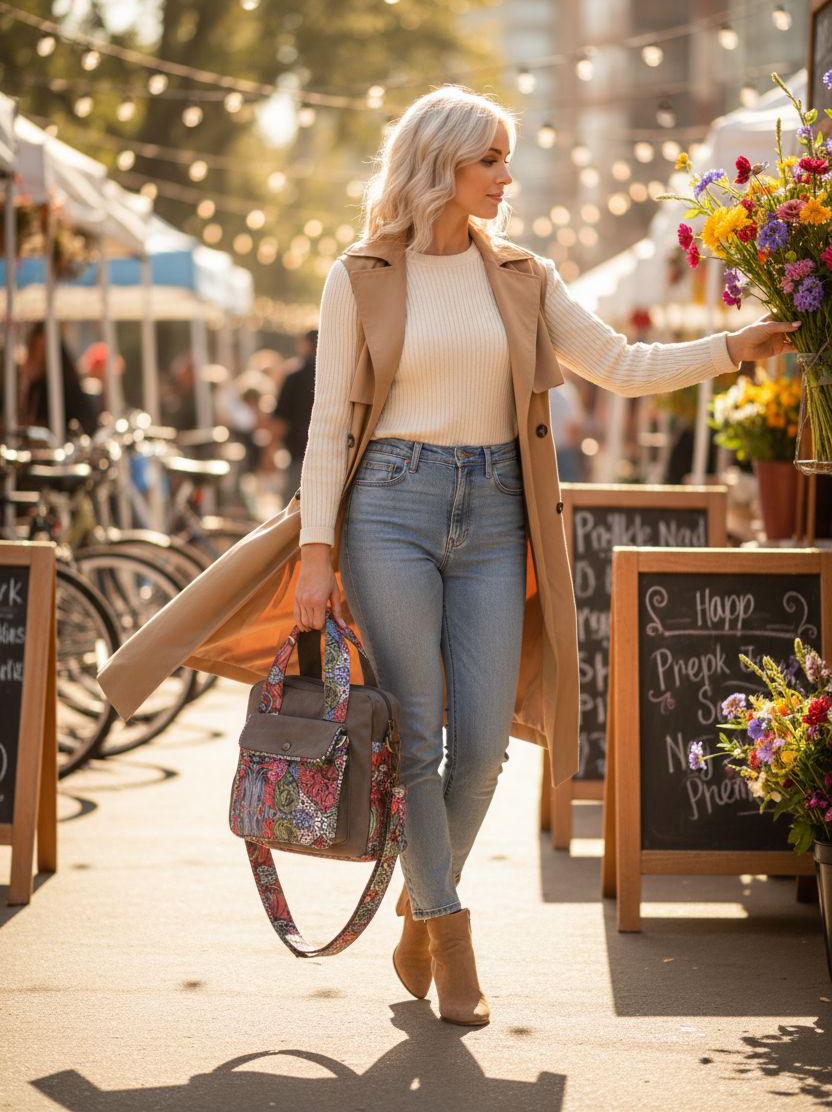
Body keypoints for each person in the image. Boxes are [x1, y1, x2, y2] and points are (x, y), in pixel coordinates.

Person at [292, 85, 799, 1027]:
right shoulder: (358, 272)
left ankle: (419, 901)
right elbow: (329, 426)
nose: (506, 177)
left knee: (483, 749)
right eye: (490, 159)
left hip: (495, 515)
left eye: (504, 159)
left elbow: (620, 363)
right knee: (417, 734)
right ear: (440, 162)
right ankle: (451, 938)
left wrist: (733, 347)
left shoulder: (523, 273)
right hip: (387, 512)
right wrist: (316, 550)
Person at [273, 330, 318, 500]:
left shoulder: (294, 376)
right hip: (331, 452)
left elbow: (281, 419)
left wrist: (271, 450)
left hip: (299, 453)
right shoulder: (336, 374)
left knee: (293, 508)